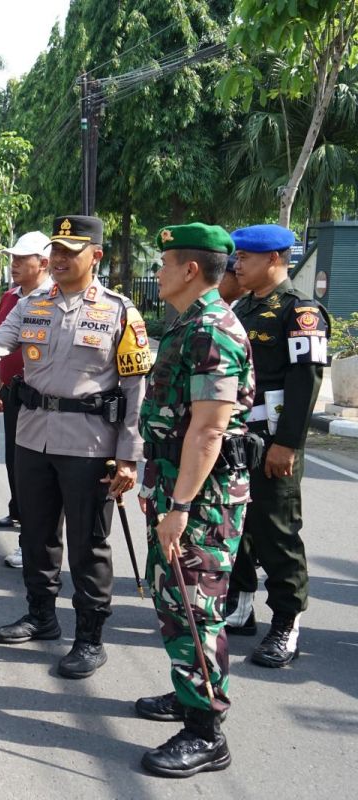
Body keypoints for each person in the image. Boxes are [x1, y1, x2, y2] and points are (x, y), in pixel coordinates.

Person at [0, 215, 148, 679]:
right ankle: (41, 616)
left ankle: (89, 637)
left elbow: (134, 391)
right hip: (32, 437)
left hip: (90, 446)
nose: (58, 260)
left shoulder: (121, 311)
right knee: (37, 534)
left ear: (96, 256)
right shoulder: (33, 303)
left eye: (70, 252)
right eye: (55, 252)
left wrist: (128, 455)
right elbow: (0, 342)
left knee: (89, 544)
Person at [135, 223, 253, 777]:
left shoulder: (212, 330)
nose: (156, 273)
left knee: (195, 607)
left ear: (188, 269)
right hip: (178, 488)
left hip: (203, 502)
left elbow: (208, 431)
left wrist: (180, 506)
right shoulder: (189, 322)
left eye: (163, 264)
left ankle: (207, 732)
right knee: (174, 602)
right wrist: (157, 488)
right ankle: (189, 695)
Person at [225, 224, 330, 667]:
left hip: (272, 439)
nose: (237, 265)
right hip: (236, 437)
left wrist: (286, 445)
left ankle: (286, 623)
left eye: (245, 257)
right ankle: (241, 602)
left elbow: (305, 382)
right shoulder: (242, 306)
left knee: (276, 530)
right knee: (238, 524)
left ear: (274, 259)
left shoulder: (300, 311)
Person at [0, 231, 53, 567]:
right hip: (13, 394)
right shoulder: (10, 297)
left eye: (21, 259)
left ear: (42, 263)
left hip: (42, 400)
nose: (14, 264)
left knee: (37, 475)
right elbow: (1, 341)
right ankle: (24, 526)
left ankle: (30, 542)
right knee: (18, 467)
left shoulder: (52, 298)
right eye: (13, 258)